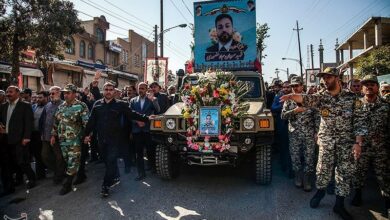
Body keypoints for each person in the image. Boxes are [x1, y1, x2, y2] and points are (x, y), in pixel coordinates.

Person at [280, 67, 367, 220]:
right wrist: (293, 96)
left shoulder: (352, 98)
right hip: (326, 141)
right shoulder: (321, 97)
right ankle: (320, 192)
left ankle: (339, 205)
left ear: (337, 78)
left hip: (346, 143)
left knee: (344, 174)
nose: (325, 81)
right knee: (322, 170)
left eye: (328, 77)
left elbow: (359, 122)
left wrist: (358, 142)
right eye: (323, 78)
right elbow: (306, 99)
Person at [84, 81, 150, 197]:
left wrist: (147, 118)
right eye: (106, 89)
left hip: (115, 140)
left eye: (111, 89)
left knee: (110, 160)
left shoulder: (121, 104)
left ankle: (105, 186)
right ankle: (115, 177)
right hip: (101, 139)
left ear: (114, 91)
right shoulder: (97, 105)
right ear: (103, 91)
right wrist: (86, 135)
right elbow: (91, 122)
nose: (108, 92)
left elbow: (132, 114)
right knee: (107, 160)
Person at [351, 74, 390, 216]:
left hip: (381, 148)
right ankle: (358, 194)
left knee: (384, 175)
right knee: (358, 172)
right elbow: (352, 125)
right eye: (366, 84)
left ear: (377, 87)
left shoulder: (386, 106)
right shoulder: (357, 105)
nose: (368, 87)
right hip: (362, 147)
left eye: (372, 84)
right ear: (362, 88)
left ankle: (387, 201)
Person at [50, 84, 89, 195]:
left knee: (73, 161)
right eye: (64, 93)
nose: (65, 95)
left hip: (75, 140)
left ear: (74, 93)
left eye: (68, 93)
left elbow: (87, 123)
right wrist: (53, 135)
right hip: (63, 140)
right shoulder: (61, 106)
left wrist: (87, 136)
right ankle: (81, 175)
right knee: (68, 160)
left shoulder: (81, 106)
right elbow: (56, 122)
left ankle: (67, 184)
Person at [281, 76, 316, 191]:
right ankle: (298, 177)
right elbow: (283, 116)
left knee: (309, 157)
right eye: (293, 86)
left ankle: (307, 180)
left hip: (309, 133)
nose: (295, 88)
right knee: (295, 157)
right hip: (294, 133)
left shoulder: (310, 99)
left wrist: (317, 132)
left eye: (297, 85)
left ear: (302, 86)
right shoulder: (289, 100)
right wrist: (294, 111)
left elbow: (317, 117)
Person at [0, 86, 35, 197]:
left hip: (20, 139)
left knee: (22, 161)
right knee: (9, 163)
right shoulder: (3, 106)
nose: (8, 94)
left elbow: (29, 123)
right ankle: (14, 183)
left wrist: (26, 137)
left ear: (17, 93)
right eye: (7, 91)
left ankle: (31, 178)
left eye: (10, 91)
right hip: (5, 138)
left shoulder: (25, 106)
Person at [130, 82, 160, 181]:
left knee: (150, 150)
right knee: (139, 153)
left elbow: (158, 111)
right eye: (139, 88)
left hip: (148, 130)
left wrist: (154, 100)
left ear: (146, 89)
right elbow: (129, 114)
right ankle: (141, 173)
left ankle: (153, 167)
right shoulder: (133, 101)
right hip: (137, 130)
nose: (141, 90)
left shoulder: (151, 100)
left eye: (143, 88)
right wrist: (137, 121)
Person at [40, 86, 65, 185]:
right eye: (50, 93)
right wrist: (42, 133)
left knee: (59, 157)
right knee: (44, 155)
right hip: (46, 136)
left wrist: (55, 135)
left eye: (53, 93)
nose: (51, 95)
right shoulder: (47, 105)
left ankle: (59, 176)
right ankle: (59, 170)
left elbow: (63, 123)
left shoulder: (64, 105)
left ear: (59, 93)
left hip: (58, 137)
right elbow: (43, 120)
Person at [271, 81, 292, 177]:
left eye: (288, 87)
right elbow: (273, 107)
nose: (286, 89)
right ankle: (285, 167)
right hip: (283, 124)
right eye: (284, 87)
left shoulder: (296, 96)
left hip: (296, 126)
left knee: (295, 149)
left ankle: (293, 170)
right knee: (284, 147)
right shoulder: (278, 96)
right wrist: (282, 105)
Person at [30, 91, 49, 180]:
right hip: (33, 134)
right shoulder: (34, 107)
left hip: (43, 134)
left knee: (44, 154)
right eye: (37, 97)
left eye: (40, 97)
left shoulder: (49, 107)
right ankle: (40, 174)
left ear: (46, 98)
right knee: (37, 155)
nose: (38, 99)